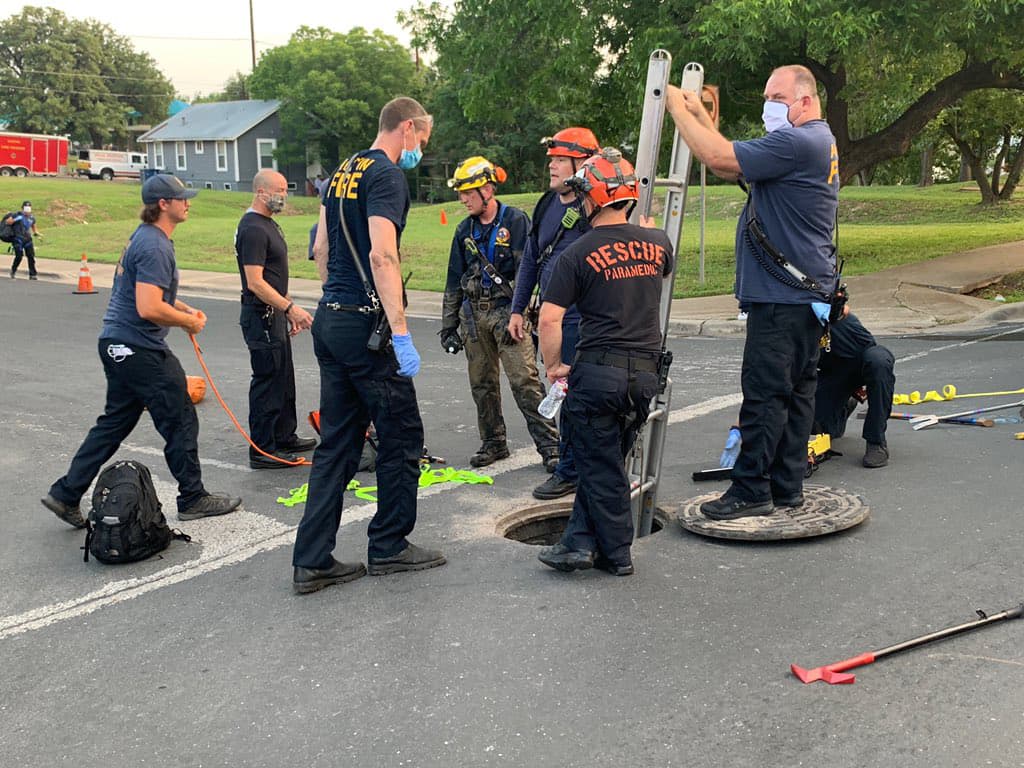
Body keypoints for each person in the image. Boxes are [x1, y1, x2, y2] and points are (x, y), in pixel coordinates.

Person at [667, 64, 840, 520]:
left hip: (784, 300)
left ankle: (750, 490)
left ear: (805, 100)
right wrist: (699, 115)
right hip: (806, 297)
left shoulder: (797, 142)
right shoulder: (814, 141)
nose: (768, 106)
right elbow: (730, 155)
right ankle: (786, 486)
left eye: (776, 98)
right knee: (795, 395)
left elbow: (719, 160)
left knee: (765, 395)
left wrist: (675, 110)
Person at [291, 96, 446, 595]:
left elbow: (321, 247)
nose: (419, 149)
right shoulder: (384, 176)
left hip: (331, 318)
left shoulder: (340, 172)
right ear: (406, 128)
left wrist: (333, 296)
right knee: (402, 436)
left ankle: (313, 559)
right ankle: (389, 545)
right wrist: (399, 332)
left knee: (337, 443)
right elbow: (383, 255)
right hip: (365, 326)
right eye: (420, 139)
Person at [41, 175, 242, 528]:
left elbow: (154, 293)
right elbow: (149, 306)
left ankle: (65, 494)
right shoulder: (155, 245)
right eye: (181, 199)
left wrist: (184, 309)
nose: (188, 203)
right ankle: (193, 497)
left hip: (117, 344)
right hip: (137, 347)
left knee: (114, 423)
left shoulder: (146, 237)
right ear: (163, 204)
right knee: (180, 417)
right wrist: (186, 322)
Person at [536, 147, 673, 576]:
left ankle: (618, 554)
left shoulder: (575, 254)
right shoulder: (658, 243)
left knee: (602, 467)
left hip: (598, 374)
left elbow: (550, 318)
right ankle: (576, 543)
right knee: (603, 459)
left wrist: (554, 366)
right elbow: (660, 268)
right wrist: (648, 233)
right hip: (645, 376)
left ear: (592, 199)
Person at [439, 156, 559, 470]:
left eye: (469, 191)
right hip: (474, 319)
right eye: (461, 193)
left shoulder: (516, 222)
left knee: (525, 382)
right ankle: (493, 442)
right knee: (482, 384)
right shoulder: (463, 229)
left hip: (508, 314)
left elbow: (529, 271)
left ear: (488, 189)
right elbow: (454, 280)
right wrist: (448, 327)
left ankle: (551, 447)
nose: (463, 199)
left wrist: (519, 313)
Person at [509, 127, 599, 500]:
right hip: (552, 318)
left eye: (561, 159)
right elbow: (532, 257)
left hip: (584, 319)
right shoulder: (547, 205)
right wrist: (517, 309)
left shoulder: (593, 206)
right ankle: (573, 466)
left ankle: (571, 471)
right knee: (562, 391)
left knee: (580, 398)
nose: (553, 166)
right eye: (552, 159)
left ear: (583, 164)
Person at [235, 169, 317, 469]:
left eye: (285, 189)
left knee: (284, 378)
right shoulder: (253, 228)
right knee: (268, 381)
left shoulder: (268, 224)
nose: (283, 195)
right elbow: (255, 281)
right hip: (261, 315)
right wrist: (289, 308)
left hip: (275, 315)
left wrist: (285, 310)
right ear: (261, 192)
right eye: (279, 190)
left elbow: (274, 276)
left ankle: (284, 435)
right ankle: (263, 449)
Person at [813, 311, 894, 468]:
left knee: (879, 362)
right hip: (829, 375)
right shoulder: (792, 325)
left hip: (858, 365)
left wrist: (861, 385)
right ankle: (843, 407)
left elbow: (869, 347)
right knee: (818, 429)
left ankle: (876, 441)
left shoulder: (839, 318)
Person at [6, 200, 42, 279]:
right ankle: (13, 270)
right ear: (22, 208)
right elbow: (8, 222)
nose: (27, 211)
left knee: (31, 256)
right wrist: (15, 218)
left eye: (29, 208)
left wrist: (37, 233)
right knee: (19, 256)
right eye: (26, 208)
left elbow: (34, 228)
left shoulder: (32, 218)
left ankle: (32, 274)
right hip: (18, 239)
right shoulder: (18, 215)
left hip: (28, 239)